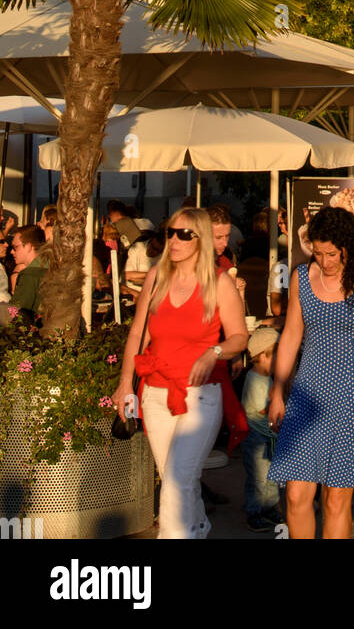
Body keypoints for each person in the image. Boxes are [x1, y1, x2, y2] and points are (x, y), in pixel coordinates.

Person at [111, 207, 248, 539]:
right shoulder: (157, 275)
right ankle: (198, 527)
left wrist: (214, 352)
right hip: (155, 392)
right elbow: (138, 333)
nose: (174, 239)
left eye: (184, 234)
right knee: (175, 478)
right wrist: (125, 384)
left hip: (199, 396)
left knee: (177, 480)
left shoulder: (219, 284)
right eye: (170, 232)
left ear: (200, 239)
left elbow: (240, 337)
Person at [267, 207, 354, 540]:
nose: (325, 261)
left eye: (331, 253)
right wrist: (277, 391)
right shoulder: (301, 278)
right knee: (295, 495)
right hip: (307, 396)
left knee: (337, 499)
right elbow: (291, 336)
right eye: (318, 253)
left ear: (348, 247)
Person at [241, 326, 282, 531]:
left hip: (269, 435)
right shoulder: (254, 379)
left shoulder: (268, 378)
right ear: (264, 355)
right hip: (256, 436)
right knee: (258, 476)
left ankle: (268, 506)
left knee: (272, 475)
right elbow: (260, 410)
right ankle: (254, 511)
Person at [9, 226, 47, 319]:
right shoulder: (55, 268)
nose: (12, 252)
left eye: (16, 247)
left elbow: (16, 313)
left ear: (29, 246)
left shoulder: (30, 274)